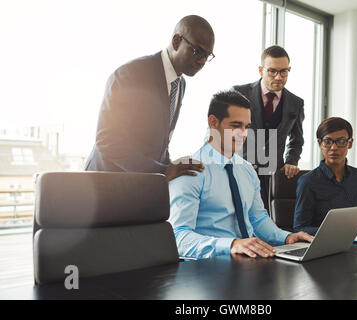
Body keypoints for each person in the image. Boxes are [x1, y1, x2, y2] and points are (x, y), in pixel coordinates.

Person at [168, 90, 313, 260]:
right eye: (236, 126)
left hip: (250, 262)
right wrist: (231, 244)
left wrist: (286, 237)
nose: (243, 134)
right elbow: (178, 237)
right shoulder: (189, 170)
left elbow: (258, 219)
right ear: (213, 122)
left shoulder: (246, 169)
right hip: (210, 267)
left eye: (247, 127)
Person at [85, 15, 215, 181]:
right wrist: (163, 170)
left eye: (207, 55)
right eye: (198, 51)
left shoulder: (180, 83)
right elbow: (108, 142)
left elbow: (159, 143)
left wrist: (173, 168)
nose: (202, 61)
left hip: (141, 187)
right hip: (106, 185)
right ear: (176, 41)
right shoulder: (130, 75)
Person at [233, 45, 304, 210]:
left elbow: (297, 140)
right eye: (272, 71)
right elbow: (224, 133)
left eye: (284, 71)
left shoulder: (296, 103)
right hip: (241, 171)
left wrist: (291, 161)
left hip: (273, 177)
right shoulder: (239, 93)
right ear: (260, 70)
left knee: (268, 223)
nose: (278, 77)